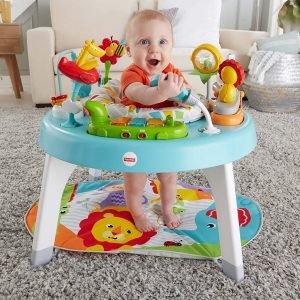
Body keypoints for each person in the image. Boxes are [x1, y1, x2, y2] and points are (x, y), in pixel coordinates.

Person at [121, 9, 189, 232]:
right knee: (135, 181)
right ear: (130, 50)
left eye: (162, 42)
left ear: (170, 48)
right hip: (136, 137)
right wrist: (162, 93)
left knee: (169, 177)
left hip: (163, 136)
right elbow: (139, 94)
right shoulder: (132, 74)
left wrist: (183, 96)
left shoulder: (171, 71)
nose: (154, 49)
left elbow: (185, 92)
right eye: (144, 42)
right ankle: (137, 213)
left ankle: (167, 208)